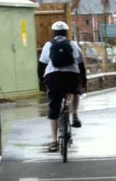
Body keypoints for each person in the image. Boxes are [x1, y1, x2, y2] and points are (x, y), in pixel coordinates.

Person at [37, 21, 87, 152]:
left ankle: (54, 142)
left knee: (54, 108)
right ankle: (75, 114)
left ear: (54, 33)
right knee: (75, 91)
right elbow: (81, 65)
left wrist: (42, 83)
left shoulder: (48, 45)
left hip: (53, 78)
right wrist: (83, 83)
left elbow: (41, 65)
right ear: (66, 32)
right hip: (71, 76)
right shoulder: (73, 44)